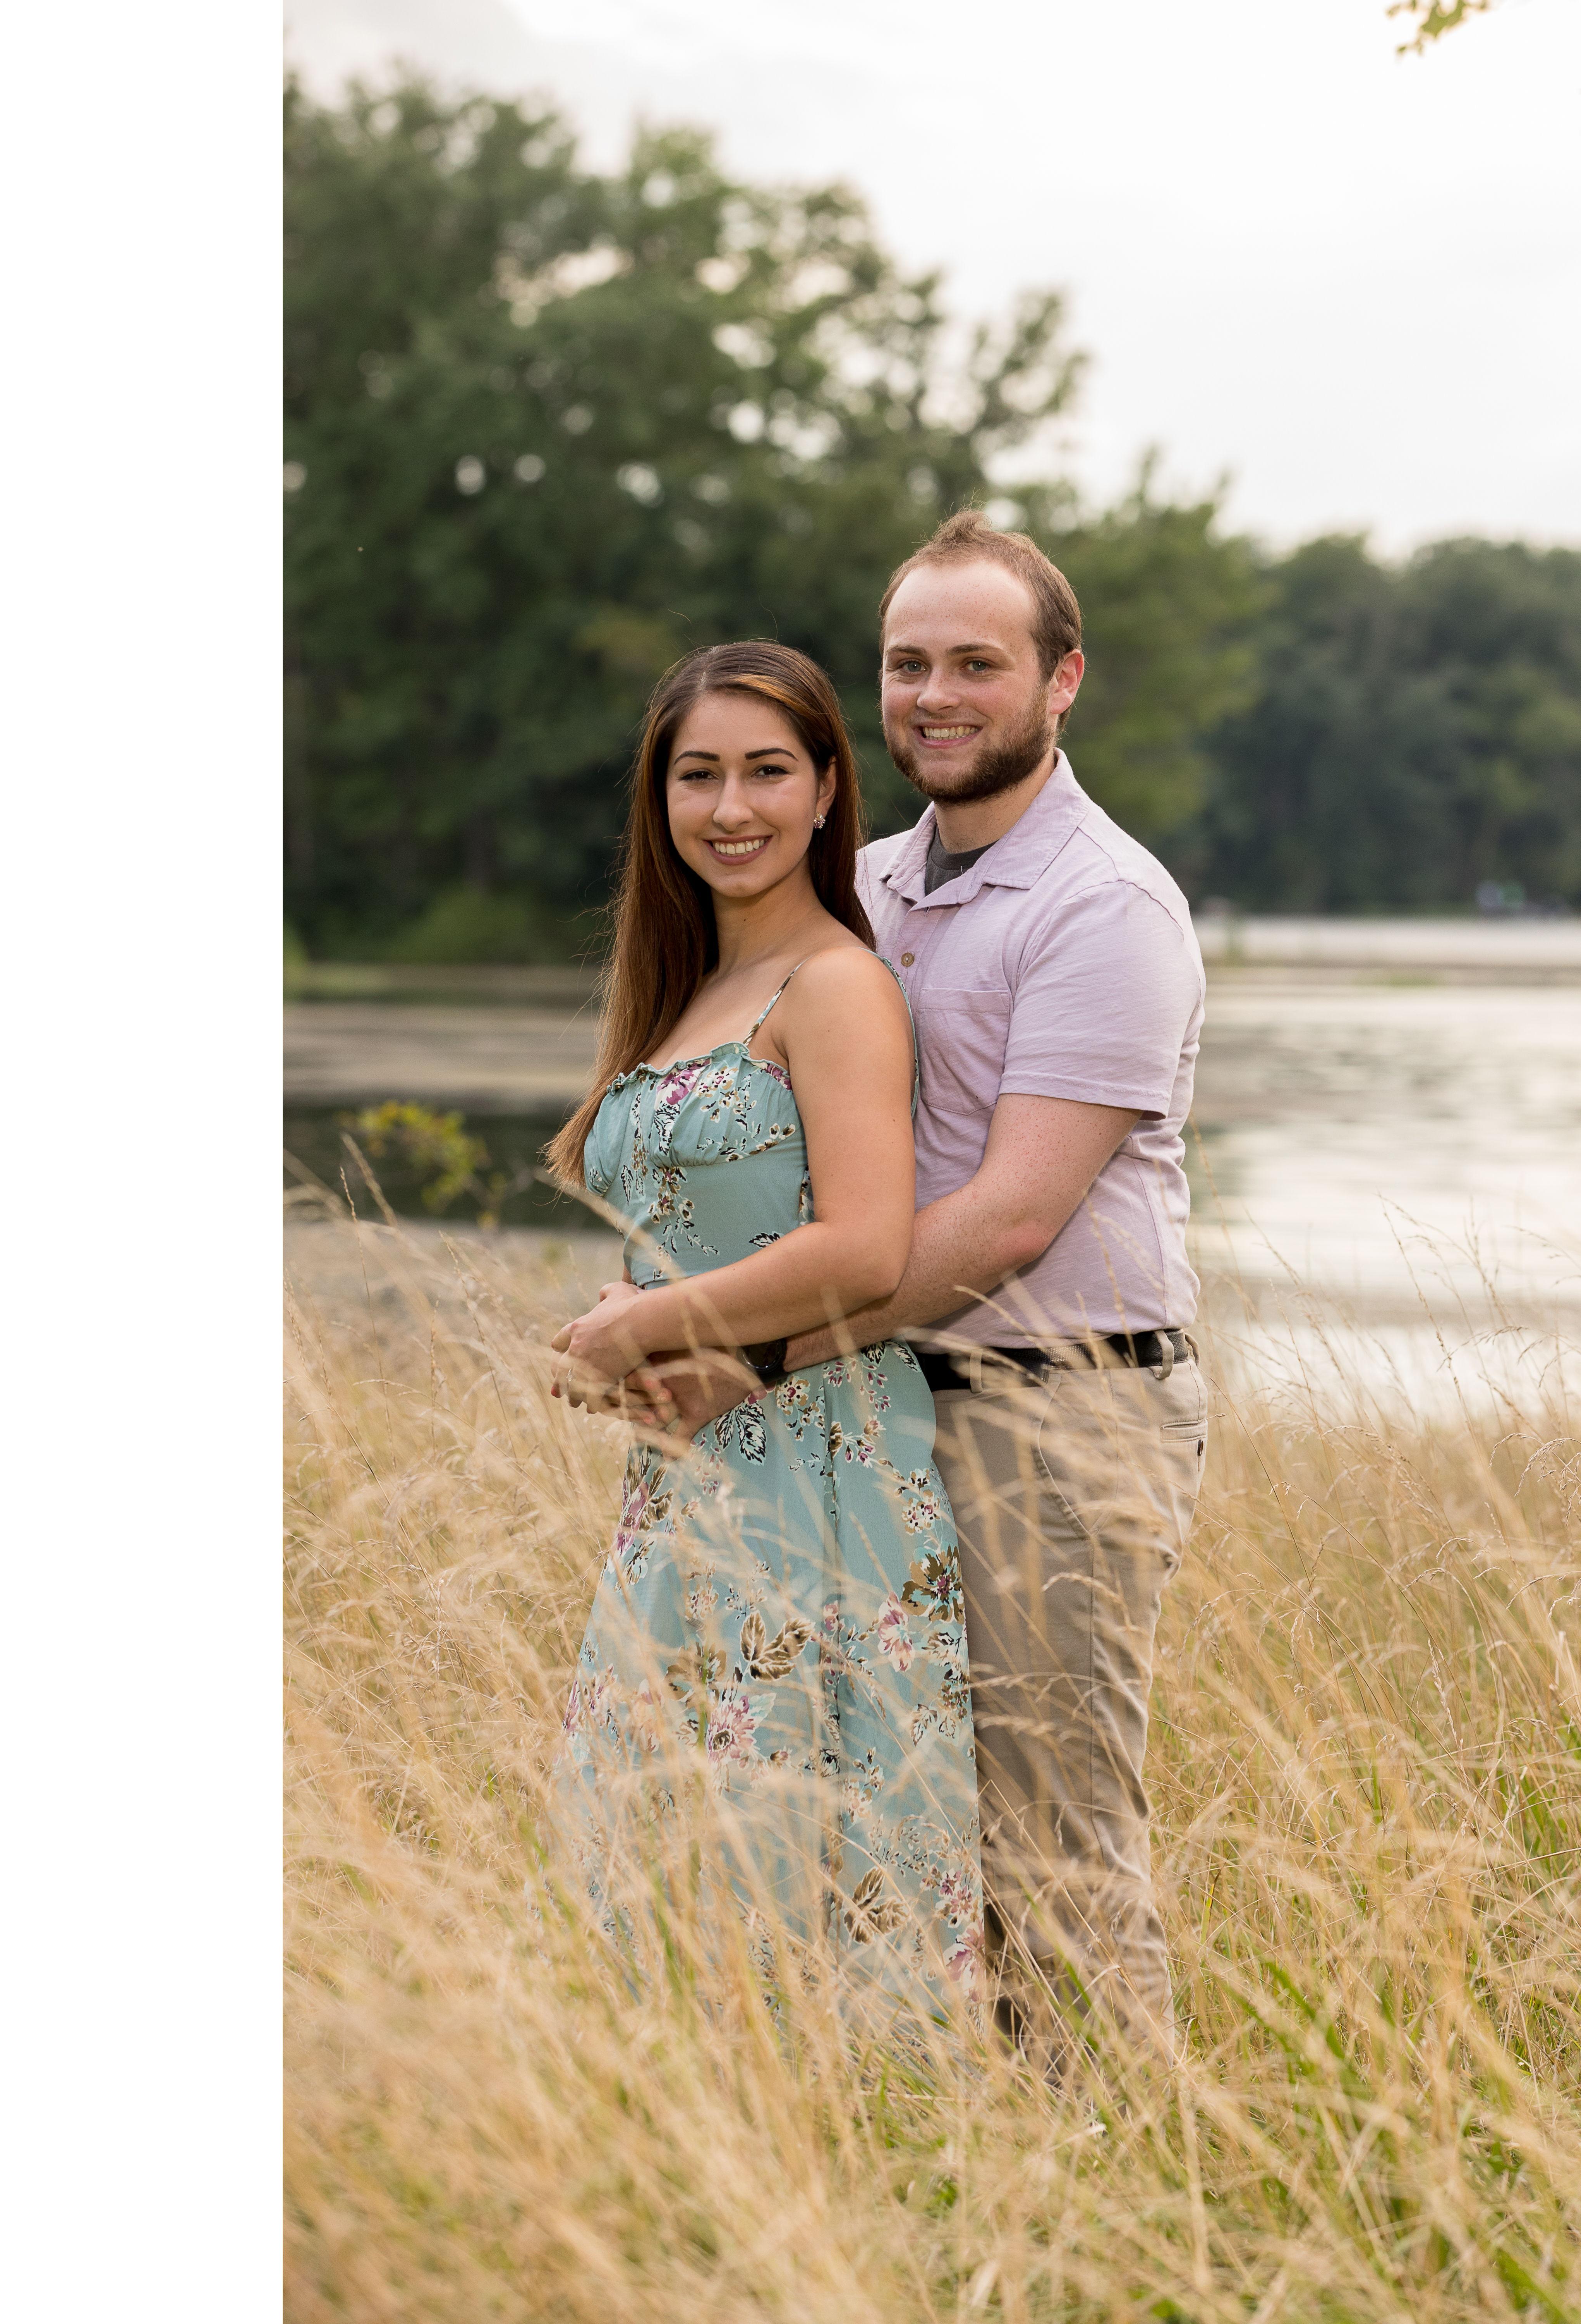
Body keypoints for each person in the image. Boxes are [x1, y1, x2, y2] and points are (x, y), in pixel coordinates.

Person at [667, 512, 1208, 2063]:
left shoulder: (1105, 906)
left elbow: (1009, 1221)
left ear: (1063, 680)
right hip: (880, 1407)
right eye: (909, 665)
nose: (935, 695)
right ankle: (960, 2161)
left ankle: (1137, 2175)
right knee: (894, 1824)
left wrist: (748, 1349)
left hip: (1060, 1411)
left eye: (979, 663)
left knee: (1053, 1840)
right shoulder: (865, 887)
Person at [544, 639, 983, 2030]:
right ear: (659, 798)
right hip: (689, 1476)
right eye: (698, 775)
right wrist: (629, 1347)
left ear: (827, 789)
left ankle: (861, 2139)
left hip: (818, 1461)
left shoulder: (836, 985)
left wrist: (641, 1323)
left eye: (767, 772)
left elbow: (866, 1246)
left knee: (802, 1840)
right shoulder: (684, 989)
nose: (731, 808)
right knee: (652, 1833)